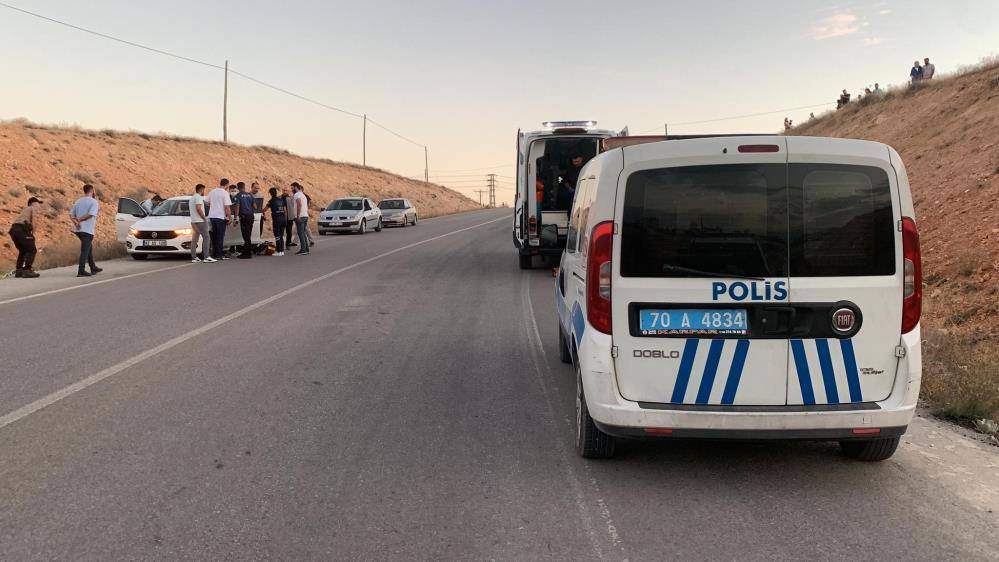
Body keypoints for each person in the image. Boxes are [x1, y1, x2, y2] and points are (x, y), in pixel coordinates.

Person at [69, 184, 103, 277]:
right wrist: (80, 220)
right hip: (87, 230)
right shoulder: (94, 202)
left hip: (79, 230)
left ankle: (93, 267)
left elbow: (71, 214)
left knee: (88, 248)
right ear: (92, 191)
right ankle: (81, 270)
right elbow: (91, 214)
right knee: (85, 250)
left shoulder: (78, 201)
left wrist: (76, 223)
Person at [8, 196, 42, 278]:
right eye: (37, 203)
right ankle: (27, 270)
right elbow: (34, 220)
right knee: (32, 249)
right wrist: (33, 234)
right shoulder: (32, 208)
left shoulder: (24, 211)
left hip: (13, 231)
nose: (39, 206)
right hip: (21, 229)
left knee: (23, 250)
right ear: (32, 203)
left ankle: (19, 271)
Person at [207, 178, 233, 260]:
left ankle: (214, 254)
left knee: (214, 236)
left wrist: (213, 205)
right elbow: (227, 207)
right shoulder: (225, 193)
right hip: (220, 217)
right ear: (227, 185)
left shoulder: (212, 191)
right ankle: (219, 254)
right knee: (220, 236)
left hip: (212, 216)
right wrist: (230, 217)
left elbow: (206, 202)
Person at [189, 183, 216, 263]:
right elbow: (198, 208)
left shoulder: (192, 198)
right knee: (207, 237)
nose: (204, 191)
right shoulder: (198, 197)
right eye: (204, 190)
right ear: (201, 189)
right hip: (200, 221)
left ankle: (194, 257)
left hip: (193, 221)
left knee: (194, 239)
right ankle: (206, 256)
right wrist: (204, 218)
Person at [232, 182, 256, 259]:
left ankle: (247, 253)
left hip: (244, 217)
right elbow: (255, 206)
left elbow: (237, 207)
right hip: (251, 216)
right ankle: (246, 252)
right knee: (248, 235)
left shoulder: (238, 196)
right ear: (244, 187)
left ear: (238, 188)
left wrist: (235, 218)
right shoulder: (250, 195)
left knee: (246, 236)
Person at [266, 187, 288, 256]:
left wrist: (260, 211)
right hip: (283, 219)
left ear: (270, 193)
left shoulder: (271, 200)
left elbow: (265, 209)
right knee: (281, 235)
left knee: (277, 236)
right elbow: (285, 211)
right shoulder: (281, 200)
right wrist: (286, 219)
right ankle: (282, 251)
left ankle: (278, 251)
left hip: (277, 220)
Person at [292, 182, 310, 255]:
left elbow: (299, 204)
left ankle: (303, 250)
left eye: (292, 188)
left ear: (296, 187)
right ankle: (306, 249)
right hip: (305, 215)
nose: (291, 189)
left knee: (301, 233)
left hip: (300, 216)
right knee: (303, 233)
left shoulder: (297, 194)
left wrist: (298, 215)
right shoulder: (303, 194)